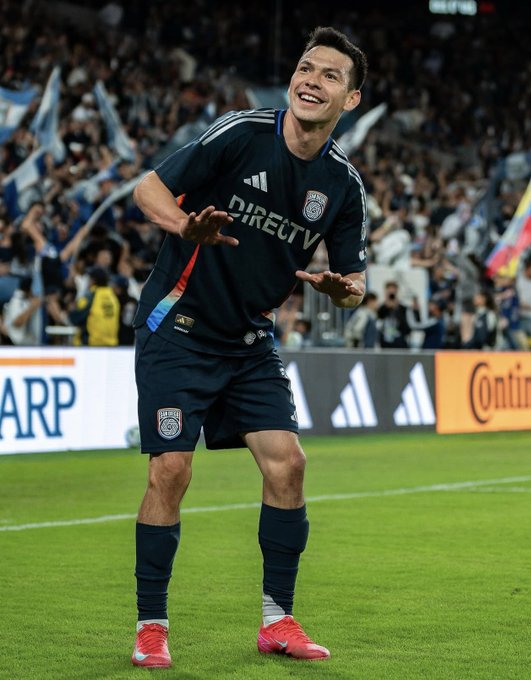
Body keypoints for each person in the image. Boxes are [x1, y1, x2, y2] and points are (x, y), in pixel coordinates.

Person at [130, 26, 368, 669]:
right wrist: (185, 225)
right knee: (171, 470)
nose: (311, 80)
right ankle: (151, 625)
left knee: (288, 465)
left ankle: (277, 619)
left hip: (249, 341)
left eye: (329, 75)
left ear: (349, 101)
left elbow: (356, 286)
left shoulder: (343, 186)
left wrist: (340, 290)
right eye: (305, 68)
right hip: (177, 327)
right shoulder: (242, 132)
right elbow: (146, 188)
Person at [376, 281, 411, 349]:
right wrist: (386, 306)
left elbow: (407, 328)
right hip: (385, 344)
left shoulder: (403, 309)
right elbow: (378, 323)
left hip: (400, 344)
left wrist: (396, 308)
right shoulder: (381, 308)